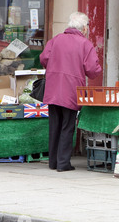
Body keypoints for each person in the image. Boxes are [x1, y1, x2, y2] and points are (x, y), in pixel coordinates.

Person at [40, 12, 101, 172]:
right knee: (67, 126)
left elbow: (43, 59)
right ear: (84, 29)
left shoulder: (56, 40)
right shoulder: (85, 44)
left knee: (55, 126)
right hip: (71, 90)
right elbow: (92, 70)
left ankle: (53, 162)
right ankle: (63, 163)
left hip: (53, 89)